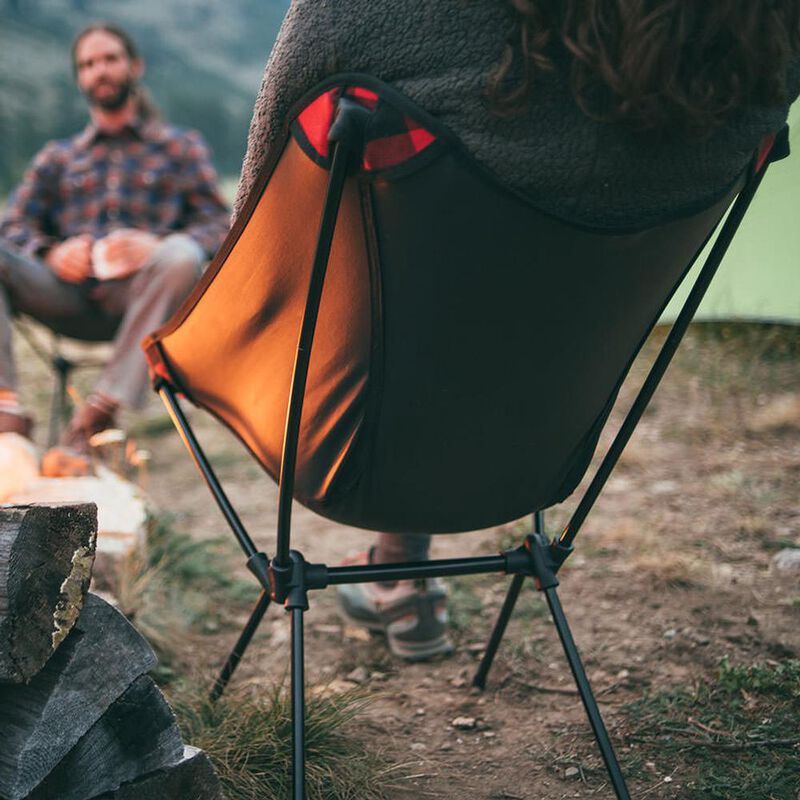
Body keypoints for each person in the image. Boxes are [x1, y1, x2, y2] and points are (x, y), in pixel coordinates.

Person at [234, 0, 800, 659]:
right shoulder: (761, 38)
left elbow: (260, 213)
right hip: (539, 452)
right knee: (469, 301)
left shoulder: (378, 12)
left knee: (409, 291)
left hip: (345, 443)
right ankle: (401, 576)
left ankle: (398, 577)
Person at [0, 22, 229, 473]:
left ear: (134, 66)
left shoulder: (179, 148)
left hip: (144, 300)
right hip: (66, 298)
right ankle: (7, 416)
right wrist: (50, 252)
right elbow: (13, 225)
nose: (99, 70)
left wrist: (157, 244)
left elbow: (222, 226)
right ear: (80, 78)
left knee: (181, 255)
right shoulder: (59, 157)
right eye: (88, 64)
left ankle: (95, 418)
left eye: (109, 59)